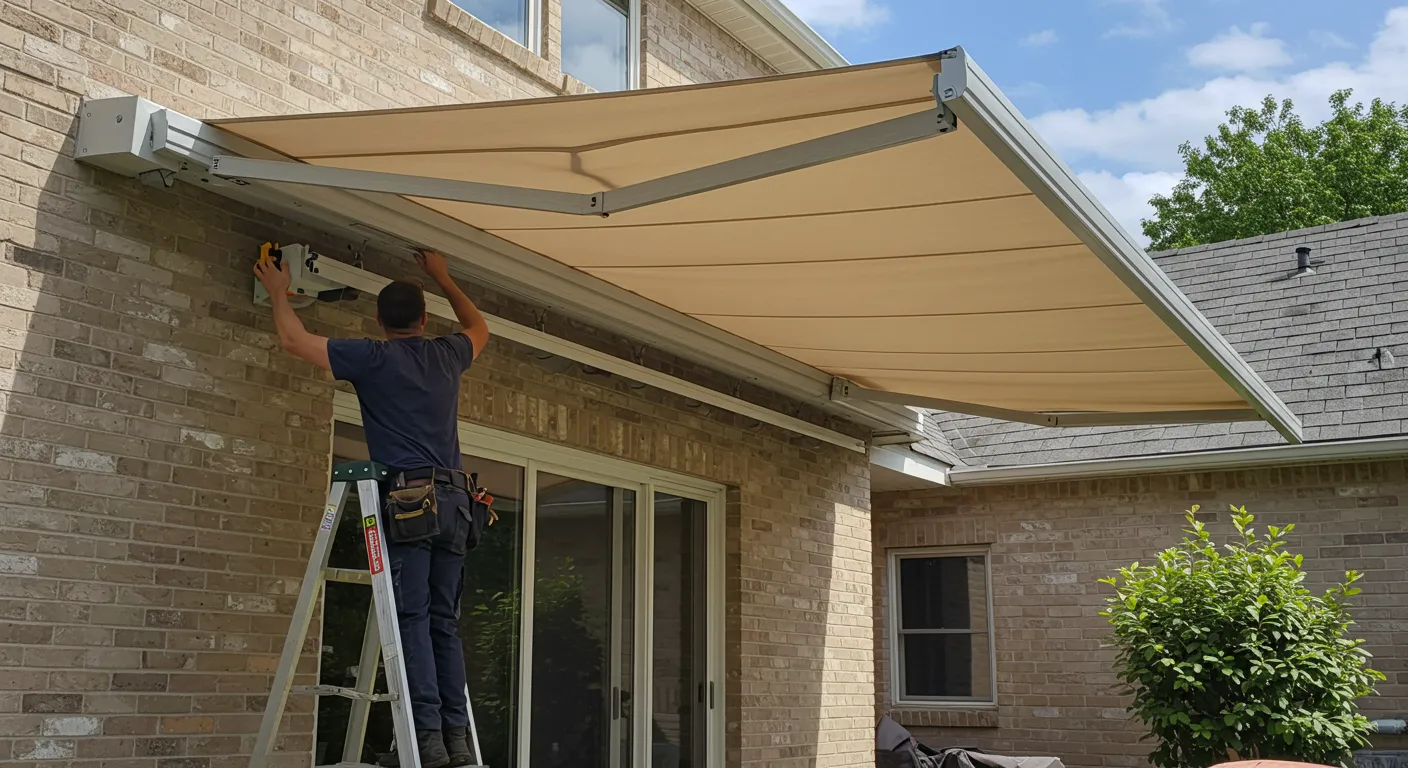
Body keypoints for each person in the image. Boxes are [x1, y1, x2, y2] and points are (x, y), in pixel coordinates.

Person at [255, 247, 491, 768]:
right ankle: (456, 742)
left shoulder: (373, 357)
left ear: (379, 321)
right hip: (455, 504)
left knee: (411, 620)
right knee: (442, 624)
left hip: (410, 503)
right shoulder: (448, 353)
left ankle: (426, 741)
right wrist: (445, 276)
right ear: (424, 319)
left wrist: (278, 292)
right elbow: (480, 327)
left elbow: (294, 340)